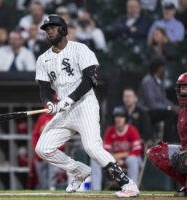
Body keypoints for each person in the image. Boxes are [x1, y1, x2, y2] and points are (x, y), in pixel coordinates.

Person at [35, 14, 139, 197]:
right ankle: (78, 170)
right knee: (43, 148)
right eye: (46, 29)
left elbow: (90, 80)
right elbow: (44, 88)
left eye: (53, 27)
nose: (49, 31)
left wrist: (69, 100)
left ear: (63, 29)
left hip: (85, 105)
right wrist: (49, 103)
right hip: (64, 110)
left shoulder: (80, 49)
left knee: (92, 146)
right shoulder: (43, 59)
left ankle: (128, 184)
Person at [147, 72, 187, 197]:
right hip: (184, 150)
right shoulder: (182, 111)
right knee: (156, 152)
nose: (183, 91)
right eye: (182, 87)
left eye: (186, 87)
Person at [91, 106, 143, 191]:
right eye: (116, 116)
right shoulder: (110, 131)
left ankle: (132, 189)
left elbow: (137, 151)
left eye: (121, 116)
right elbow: (105, 150)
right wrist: (116, 160)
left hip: (130, 159)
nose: (118, 119)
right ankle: (95, 190)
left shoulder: (132, 130)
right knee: (95, 160)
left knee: (132, 159)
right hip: (115, 160)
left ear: (125, 118)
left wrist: (118, 157)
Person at [138, 57, 180, 142]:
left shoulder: (160, 80)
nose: (164, 69)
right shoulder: (147, 81)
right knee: (170, 113)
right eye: (163, 67)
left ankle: (176, 138)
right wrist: (169, 108)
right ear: (158, 68)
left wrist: (173, 106)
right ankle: (167, 140)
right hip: (147, 111)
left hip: (157, 109)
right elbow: (151, 103)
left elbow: (163, 99)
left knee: (177, 112)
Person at [31, 96, 64, 190]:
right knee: (43, 183)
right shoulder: (43, 117)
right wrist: (37, 151)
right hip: (41, 153)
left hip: (54, 153)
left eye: (58, 101)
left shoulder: (62, 117)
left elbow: (64, 137)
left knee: (53, 182)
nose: (56, 103)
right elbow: (35, 135)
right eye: (55, 101)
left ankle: (53, 192)